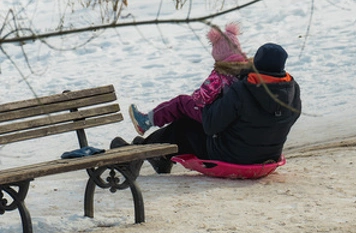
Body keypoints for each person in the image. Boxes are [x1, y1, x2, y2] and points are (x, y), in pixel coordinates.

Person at [115, 42, 301, 174]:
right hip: (269, 156)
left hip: (231, 156)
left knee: (186, 125)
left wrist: (214, 102)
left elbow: (211, 124)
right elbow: (289, 118)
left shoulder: (242, 90)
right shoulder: (292, 89)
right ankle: (158, 156)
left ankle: (136, 155)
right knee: (192, 124)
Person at [129, 22, 251, 135]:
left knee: (181, 102)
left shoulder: (220, 75)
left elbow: (201, 97)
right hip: (237, 118)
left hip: (215, 116)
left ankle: (146, 121)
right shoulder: (247, 69)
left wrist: (193, 98)